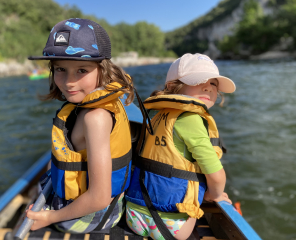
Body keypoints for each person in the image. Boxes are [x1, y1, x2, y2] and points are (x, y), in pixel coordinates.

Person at [25, 18, 135, 233]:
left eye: (82, 70)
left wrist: (50, 217)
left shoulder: (96, 118)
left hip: (95, 215)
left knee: (31, 208)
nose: (68, 82)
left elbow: (99, 198)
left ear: (103, 70)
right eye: (60, 69)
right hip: (105, 206)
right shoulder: (105, 100)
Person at [125, 53, 236, 240]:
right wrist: (214, 195)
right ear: (173, 86)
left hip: (134, 215)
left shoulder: (159, 114)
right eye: (199, 80)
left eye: (214, 84)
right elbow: (216, 175)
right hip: (172, 226)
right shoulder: (191, 119)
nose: (208, 87)